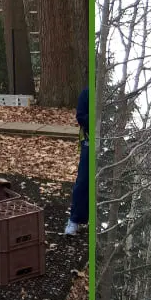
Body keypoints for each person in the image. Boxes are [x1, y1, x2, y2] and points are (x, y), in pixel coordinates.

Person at [64, 85, 89, 236]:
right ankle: (74, 220)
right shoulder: (87, 92)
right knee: (83, 182)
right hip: (88, 142)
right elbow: (81, 117)